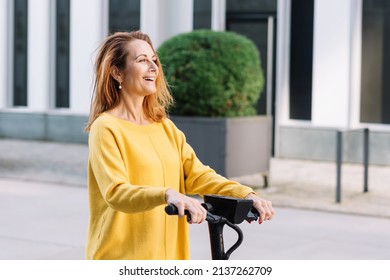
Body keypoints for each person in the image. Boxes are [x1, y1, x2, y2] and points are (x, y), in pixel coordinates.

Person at [84, 30, 275, 260]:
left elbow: (199, 175)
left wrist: (246, 194)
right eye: (142, 60)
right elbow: (116, 192)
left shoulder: (164, 126)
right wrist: (168, 194)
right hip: (122, 258)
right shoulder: (106, 128)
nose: (153, 67)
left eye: (154, 60)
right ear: (116, 72)